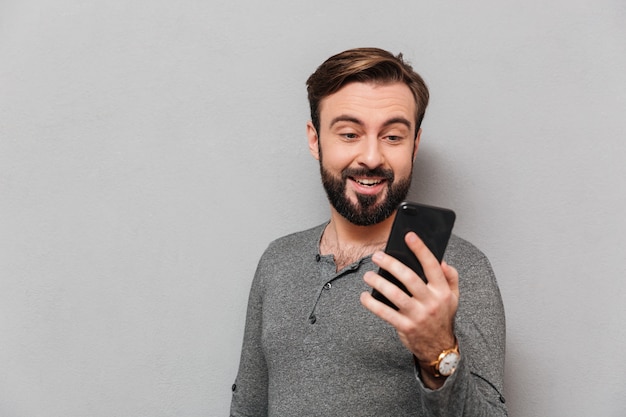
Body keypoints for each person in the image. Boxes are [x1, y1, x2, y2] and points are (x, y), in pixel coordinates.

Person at [230, 47, 507, 416]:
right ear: (315, 140)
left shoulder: (457, 270)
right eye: (349, 134)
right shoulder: (277, 262)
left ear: (414, 145)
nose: (372, 157)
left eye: (392, 137)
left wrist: (438, 353)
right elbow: (248, 407)